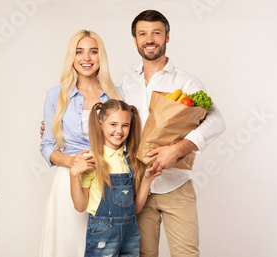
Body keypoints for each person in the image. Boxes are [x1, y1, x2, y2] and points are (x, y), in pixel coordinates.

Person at [121, 10, 226, 257]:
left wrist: (176, 150)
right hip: (137, 186)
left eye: (156, 33)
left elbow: (217, 120)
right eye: (142, 34)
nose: (150, 39)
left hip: (176, 185)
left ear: (167, 37)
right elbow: (109, 124)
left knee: (186, 254)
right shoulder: (125, 84)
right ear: (134, 40)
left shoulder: (186, 82)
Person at [39, 29, 123, 257]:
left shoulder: (116, 94)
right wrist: (72, 161)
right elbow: (46, 146)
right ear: (72, 57)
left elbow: (124, 140)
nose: (86, 58)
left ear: (101, 56)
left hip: (106, 182)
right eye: (79, 52)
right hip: (67, 182)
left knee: (103, 248)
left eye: (93, 51)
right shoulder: (56, 95)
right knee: (68, 246)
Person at [69, 99, 161, 256]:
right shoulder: (92, 160)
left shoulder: (131, 161)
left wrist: (146, 180)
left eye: (125, 125)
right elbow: (80, 206)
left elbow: (135, 209)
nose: (119, 130)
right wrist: (74, 174)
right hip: (103, 232)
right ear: (100, 124)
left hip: (130, 233)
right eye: (113, 124)